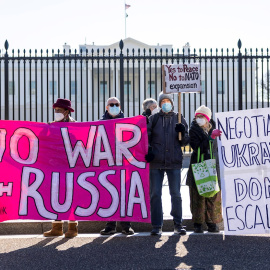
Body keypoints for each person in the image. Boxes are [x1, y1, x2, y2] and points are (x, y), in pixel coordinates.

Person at [145, 92, 189, 235]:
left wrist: (182, 133)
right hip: (156, 162)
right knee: (155, 194)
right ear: (159, 103)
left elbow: (186, 142)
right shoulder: (154, 118)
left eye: (167, 101)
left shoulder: (179, 118)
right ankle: (157, 225)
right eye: (162, 101)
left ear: (172, 103)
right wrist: (149, 151)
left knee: (175, 193)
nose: (165, 103)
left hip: (174, 161)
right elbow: (146, 138)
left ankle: (178, 223)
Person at [43, 98, 78, 238]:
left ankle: (72, 227)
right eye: (55, 110)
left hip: (70, 166)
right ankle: (56, 227)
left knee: (71, 196)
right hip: (54, 166)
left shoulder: (76, 126)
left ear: (67, 112)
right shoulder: (50, 125)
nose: (56, 112)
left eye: (59, 110)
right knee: (55, 196)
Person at [99, 97, 135, 235]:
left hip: (124, 163)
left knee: (124, 193)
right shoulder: (100, 123)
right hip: (107, 163)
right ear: (106, 107)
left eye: (117, 104)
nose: (114, 106)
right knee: (109, 194)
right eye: (111, 104)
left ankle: (126, 225)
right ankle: (110, 225)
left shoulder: (128, 123)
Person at [186, 105, 223, 233]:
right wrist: (210, 138)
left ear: (208, 118)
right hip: (199, 165)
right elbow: (196, 147)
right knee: (198, 196)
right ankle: (198, 223)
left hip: (213, 166)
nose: (199, 119)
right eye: (197, 117)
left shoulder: (216, 128)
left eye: (202, 117)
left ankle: (212, 222)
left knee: (213, 195)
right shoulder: (193, 130)